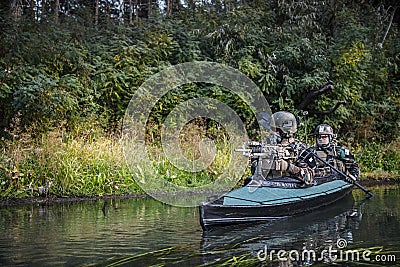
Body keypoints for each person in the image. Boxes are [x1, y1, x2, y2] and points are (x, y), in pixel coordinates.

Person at [249, 111, 315, 185]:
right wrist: (257, 161)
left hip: (291, 190)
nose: (272, 132)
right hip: (268, 188)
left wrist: (287, 166)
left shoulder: (301, 149)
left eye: (276, 130)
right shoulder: (267, 146)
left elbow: (309, 178)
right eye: (271, 128)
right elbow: (256, 174)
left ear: (287, 132)